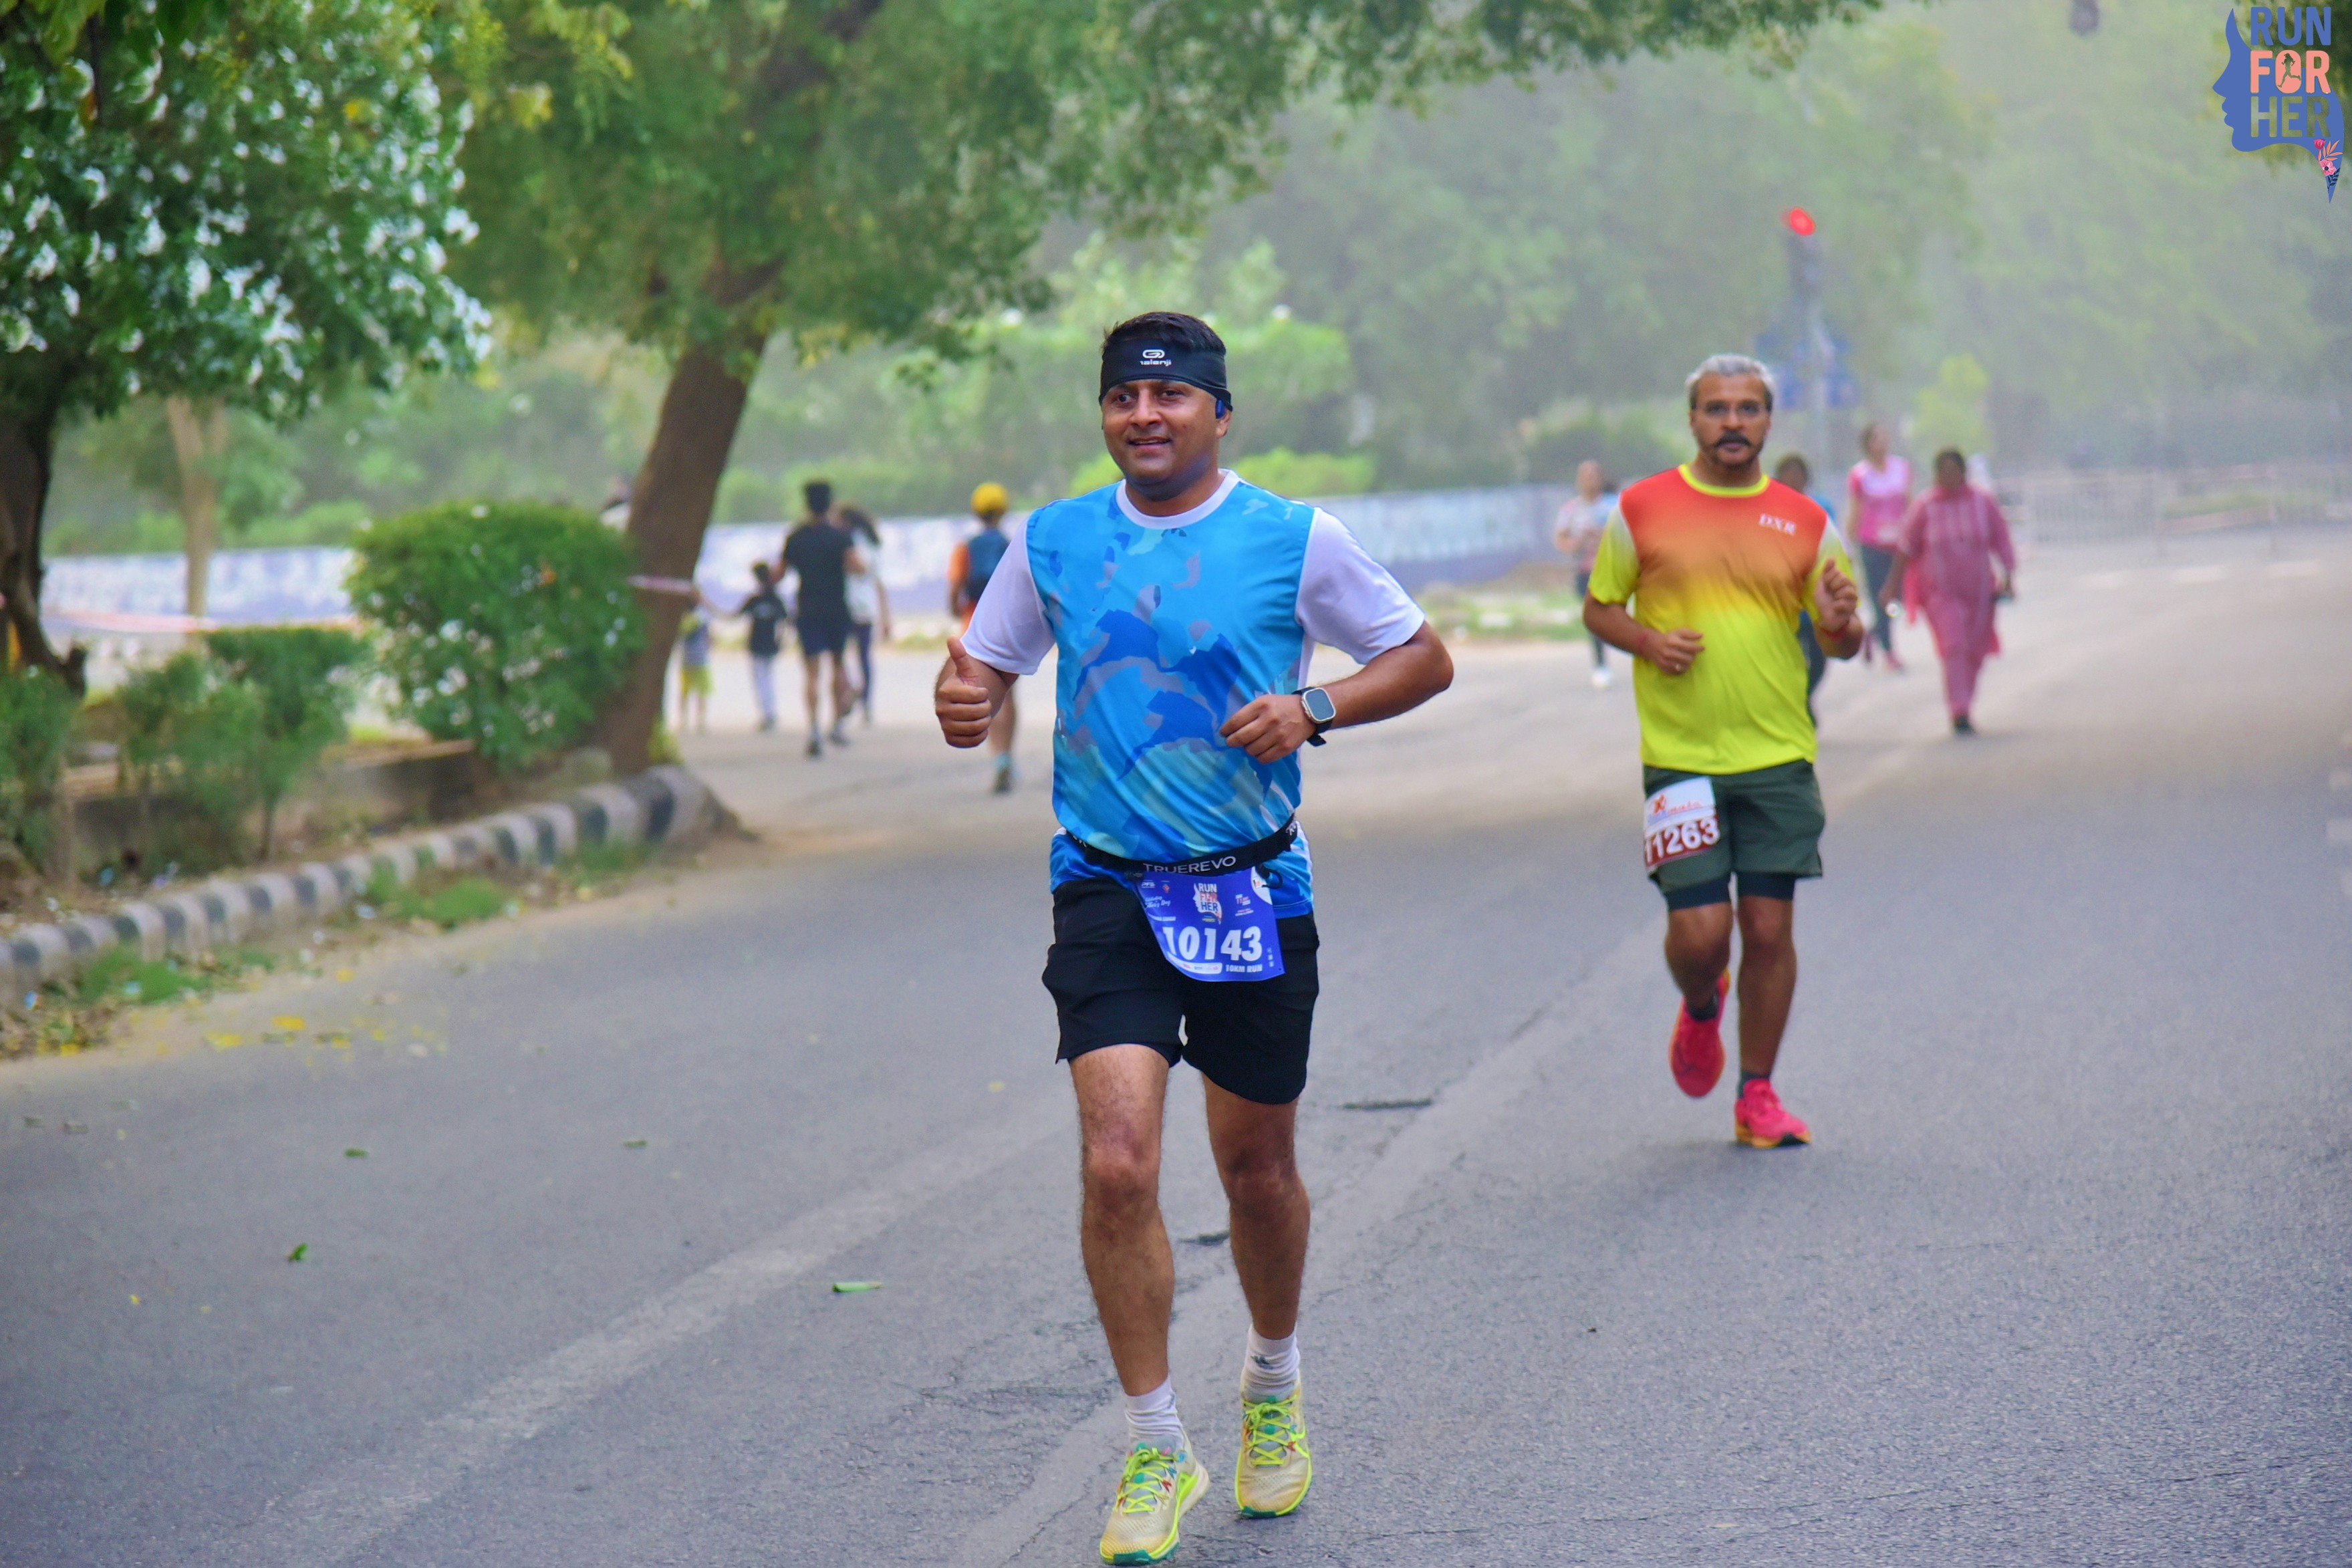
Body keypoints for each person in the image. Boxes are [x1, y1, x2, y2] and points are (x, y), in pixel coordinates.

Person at [935, 311, 1451, 1565]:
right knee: (1117, 1163)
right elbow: (980, 675)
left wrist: (1314, 704)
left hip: (1249, 885)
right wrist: (964, 697)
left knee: (1255, 1168)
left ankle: (1270, 1383)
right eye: (1123, 396)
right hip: (1106, 887)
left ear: (1218, 412)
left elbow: (1422, 657)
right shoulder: (1053, 540)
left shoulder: (1291, 537)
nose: (1144, 415)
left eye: (1169, 396)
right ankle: (1155, 1443)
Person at [1583, 354, 1863, 1152]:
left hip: (1778, 756)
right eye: (1717, 408)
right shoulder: (1642, 509)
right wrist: (1647, 640)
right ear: (1694, 420)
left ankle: (1757, 1095)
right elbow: (1600, 608)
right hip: (1682, 760)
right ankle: (1703, 1003)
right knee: (1703, 936)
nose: (1732, 422)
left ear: (1769, 420)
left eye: (1748, 408)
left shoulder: (1806, 522)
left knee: (1770, 930)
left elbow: (1844, 640)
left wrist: (1840, 622)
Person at [1888, 448, 2016, 736]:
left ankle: (1967, 699)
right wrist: (1891, 587)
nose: (1948, 477)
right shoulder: (1925, 506)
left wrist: (2009, 577)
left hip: (1980, 592)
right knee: (1954, 644)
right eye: (1943, 471)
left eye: (1953, 471)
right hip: (1940, 592)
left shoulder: (1982, 503)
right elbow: (1906, 546)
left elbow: (2001, 539)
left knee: (1975, 649)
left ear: (1963, 473)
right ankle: (1959, 709)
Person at [781, 479, 862, 757]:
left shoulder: (796, 537)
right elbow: (858, 567)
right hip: (836, 608)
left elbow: (779, 573)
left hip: (808, 609)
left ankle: (813, 729)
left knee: (812, 672)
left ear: (806, 504)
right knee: (838, 665)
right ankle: (837, 725)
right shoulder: (841, 536)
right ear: (830, 504)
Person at [949, 481, 1021, 791]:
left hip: (975, 628)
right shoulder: (1012, 545)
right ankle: (1007, 756)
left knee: (986, 694)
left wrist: (956, 609)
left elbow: (955, 589)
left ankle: (997, 757)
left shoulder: (966, 548)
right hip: (1008, 627)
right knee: (1009, 694)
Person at [1845, 422, 1911, 670]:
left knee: (1899, 596)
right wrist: (1849, 545)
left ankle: (1873, 634)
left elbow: (1909, 503)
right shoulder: (1860, 475)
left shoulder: (1901, 469)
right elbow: (1855, 510)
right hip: (1872, 544)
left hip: (1898, 544)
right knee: (1879, 597)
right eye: (1876, 439)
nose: (1881, 443)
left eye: (1884, 437)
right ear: (1867, 444)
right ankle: (1889, 651)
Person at [1551, 459, 1618, 690]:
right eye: (1584, 477)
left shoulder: (1613, 505)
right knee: (1594, 617)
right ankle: (1601, 664)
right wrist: (1576, 543)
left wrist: (1605, 536)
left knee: (1611, 615)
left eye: (1593, 476)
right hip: (1585, 571)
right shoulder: (1571, 510)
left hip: (1613, 569)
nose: (1589, 481)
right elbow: (1561, 538)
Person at [1773, 454, 1830, 716]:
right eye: (1788, 473)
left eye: (1798, 473)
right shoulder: (1767, 511)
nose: (1793, 479)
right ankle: (1797, 704)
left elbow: (1832, 547)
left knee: (1818, 660)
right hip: (1782, 602)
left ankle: (1803, 698)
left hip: (1814, 598)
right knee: (1787, 660)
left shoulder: (1820, 508)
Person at [836, 504, 892, 727]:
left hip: (847, 605)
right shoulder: (872, 544)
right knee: (864, 658)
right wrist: (885, 616)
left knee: (839, 656)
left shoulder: (848, 543)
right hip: (867, 608)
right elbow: (879, 583)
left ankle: (851, 692)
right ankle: (866, 704)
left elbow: (859, 569)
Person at [740, 563, 789, 733]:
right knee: (767, 679)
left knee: (762, 680)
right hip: (766, 643)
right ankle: (769, 713)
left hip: (761, 644)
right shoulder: (773, 599)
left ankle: (768, 714)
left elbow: (736, 614)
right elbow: (785, 622)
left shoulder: (759, 600)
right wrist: (781, 640)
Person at [676, 594, 714, 735]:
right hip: (699, 659)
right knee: (699, 692)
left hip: (688, 658)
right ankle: (699, 721)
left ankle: (687, 720)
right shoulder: (702, 615)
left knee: (687, 692)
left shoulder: (684, 617)